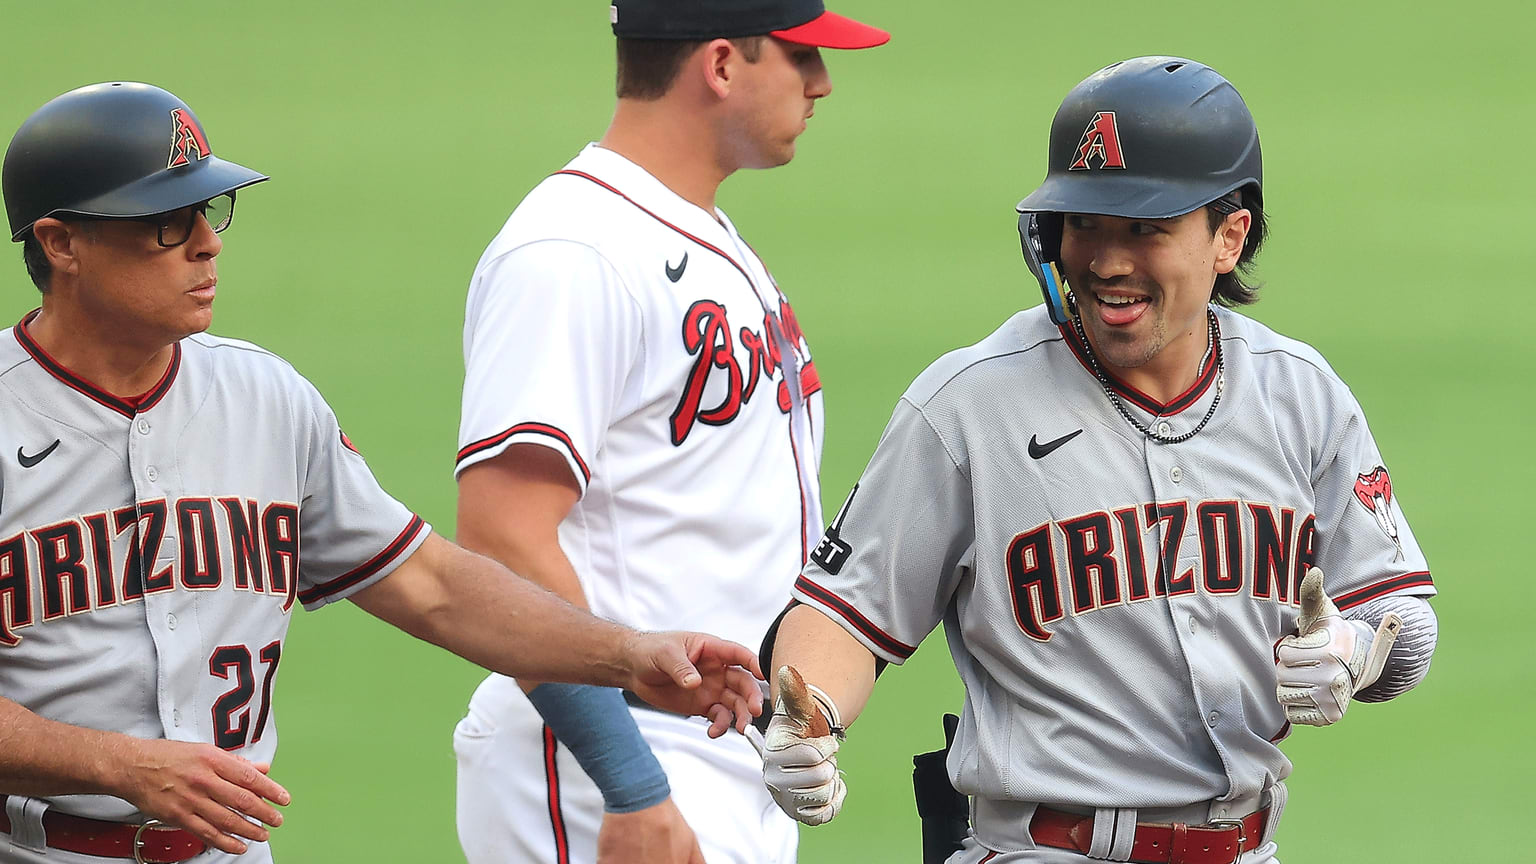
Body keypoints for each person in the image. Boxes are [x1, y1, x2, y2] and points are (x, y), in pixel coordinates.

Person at [0, 81, 765, 864]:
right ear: (61, 244)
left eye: (210, 210)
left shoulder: (267, 399)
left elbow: (430, 583)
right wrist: (117, 766)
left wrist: (629, 655)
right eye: (168, 222)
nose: (208, 242)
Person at [758, 56, 1439, 863]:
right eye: (1085, 223)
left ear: (1230, 236)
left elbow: (1404, 617)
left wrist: (1357, 652)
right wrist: (811, 719)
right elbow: (845, 611)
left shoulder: (1303, 397)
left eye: (1145, 229)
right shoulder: (971, 404)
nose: (1107, 262)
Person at [448, 1, 888, 862]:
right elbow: (500, 539)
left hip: (713, 750)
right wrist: (629, 779)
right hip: (607, 756)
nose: (824, 82)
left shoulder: (696, 233)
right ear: (722, 65)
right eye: (801, 57)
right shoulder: (574, 252)